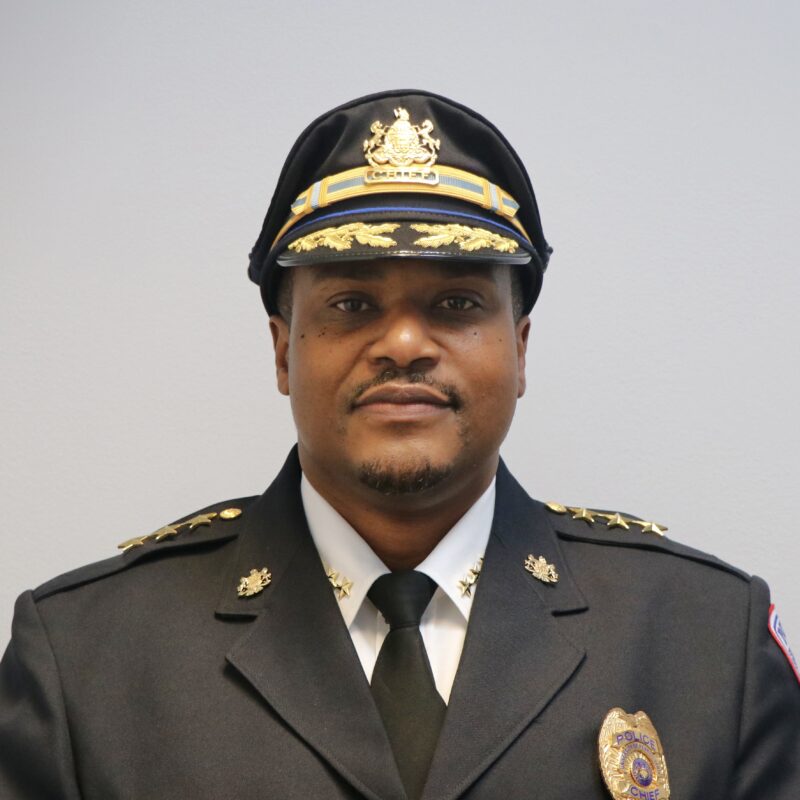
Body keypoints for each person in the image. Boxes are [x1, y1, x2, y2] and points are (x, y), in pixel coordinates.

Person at [0, 89, 797, 800]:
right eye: (351, 304)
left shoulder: (704, 642)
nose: (406, 343)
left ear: (520, 351)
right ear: (282, 352)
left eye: (455, 302)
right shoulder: (87, 658)